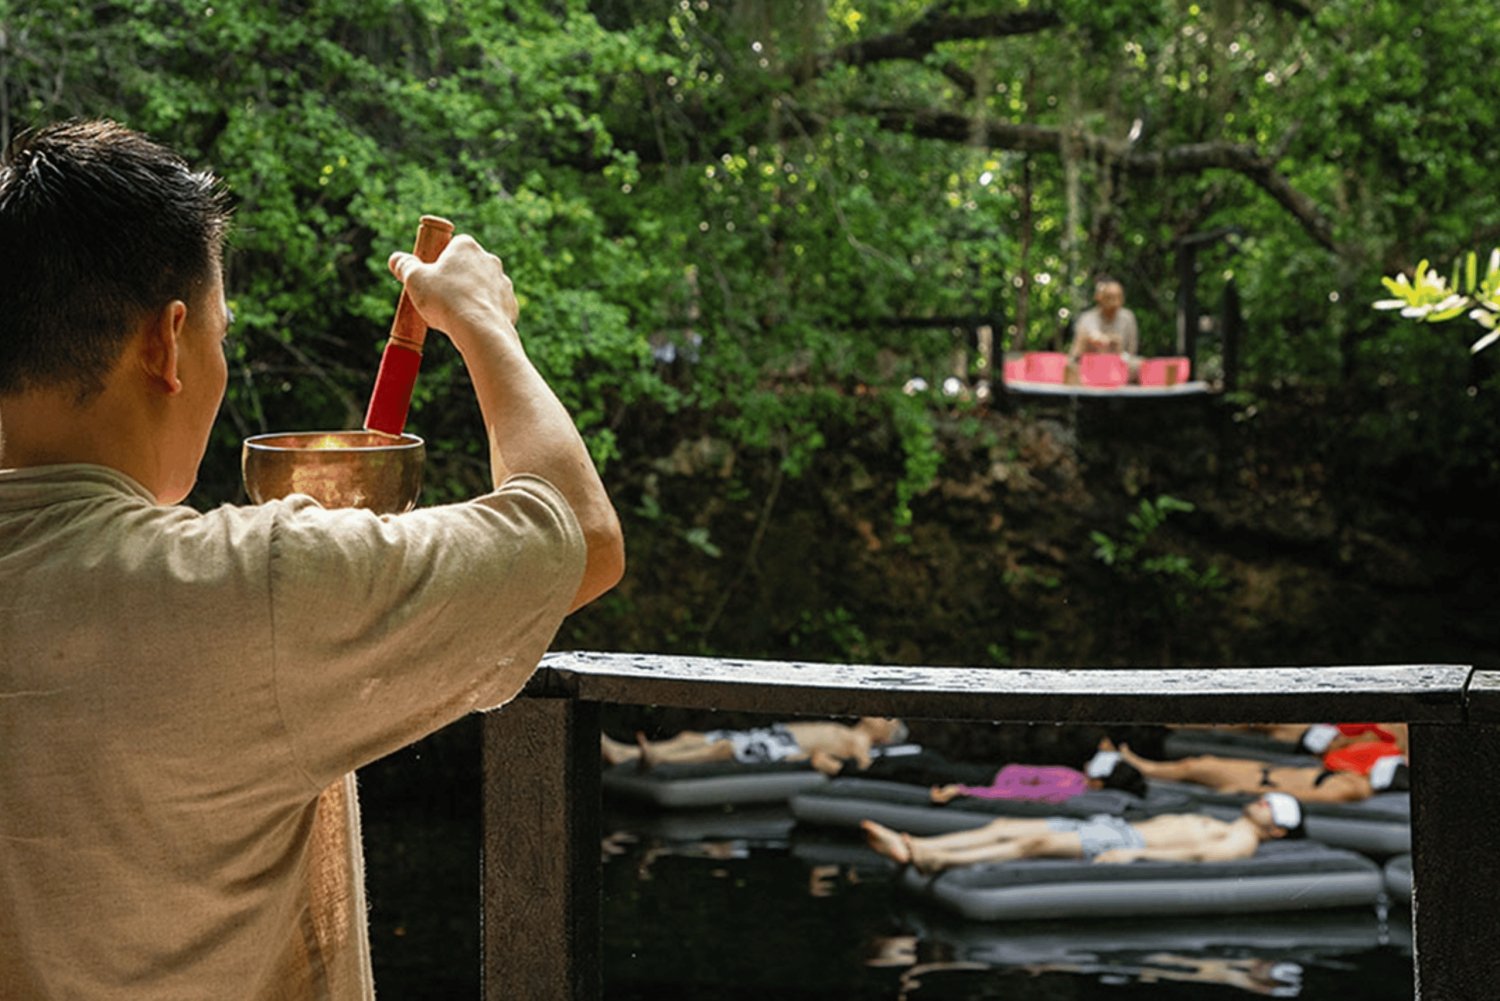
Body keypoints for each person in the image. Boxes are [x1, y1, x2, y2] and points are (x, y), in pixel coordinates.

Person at [0, 120, 624, 999]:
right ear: (165, 344)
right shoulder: (248, 589)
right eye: (218, 335)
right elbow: (579, 535)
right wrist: (483, 323)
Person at [861, 791, 1307, 874]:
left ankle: (931, 859)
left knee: (1031, 843)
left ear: (1279, 832)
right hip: (1113, 827)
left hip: (1124, 842)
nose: (1263, 801)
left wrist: (1138, 858)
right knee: (1005, 825)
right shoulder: (1228, 822)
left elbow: (1201, 861)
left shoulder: (1240, 841)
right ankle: (916, 843)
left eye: (1272, 807)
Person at [1115, 742, 1408, 804]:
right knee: (1200, 760)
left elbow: (1301, 795)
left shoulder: (1350, 789)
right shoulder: (1359, 781)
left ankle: (1143, 768)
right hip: (1270, 773)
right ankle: (1142, 765)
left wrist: (1248, 793)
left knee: (1194, 766)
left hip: (1262, 781)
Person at [600, 717, 908, 775]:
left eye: (888, 718)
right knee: (690, 737)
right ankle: (624, 752)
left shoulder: (861, 743)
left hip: (782, 750)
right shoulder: (846, 727)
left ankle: (658, 760)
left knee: (723, 748)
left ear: (884, 734)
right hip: (774, 736)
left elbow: (860, 768)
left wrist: (815, 760)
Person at [927, 748, 1147, 804]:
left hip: (989, 781)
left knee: (931, 769)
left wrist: (963, 791)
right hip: (1001, 771)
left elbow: (1018, 794)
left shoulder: (1069, 791)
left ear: (1099, 784)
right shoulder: (1079, 778)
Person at [1068, 278, 1139, 363]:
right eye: (1110, 297)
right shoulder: (1087, 319)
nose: (1114, 302)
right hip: (1091, 366)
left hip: (1120, 366)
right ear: (1100, 297)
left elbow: (1131, 352)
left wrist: (1118, 349)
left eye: (1118, 297)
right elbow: (1074, 354)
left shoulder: (1128, 318)